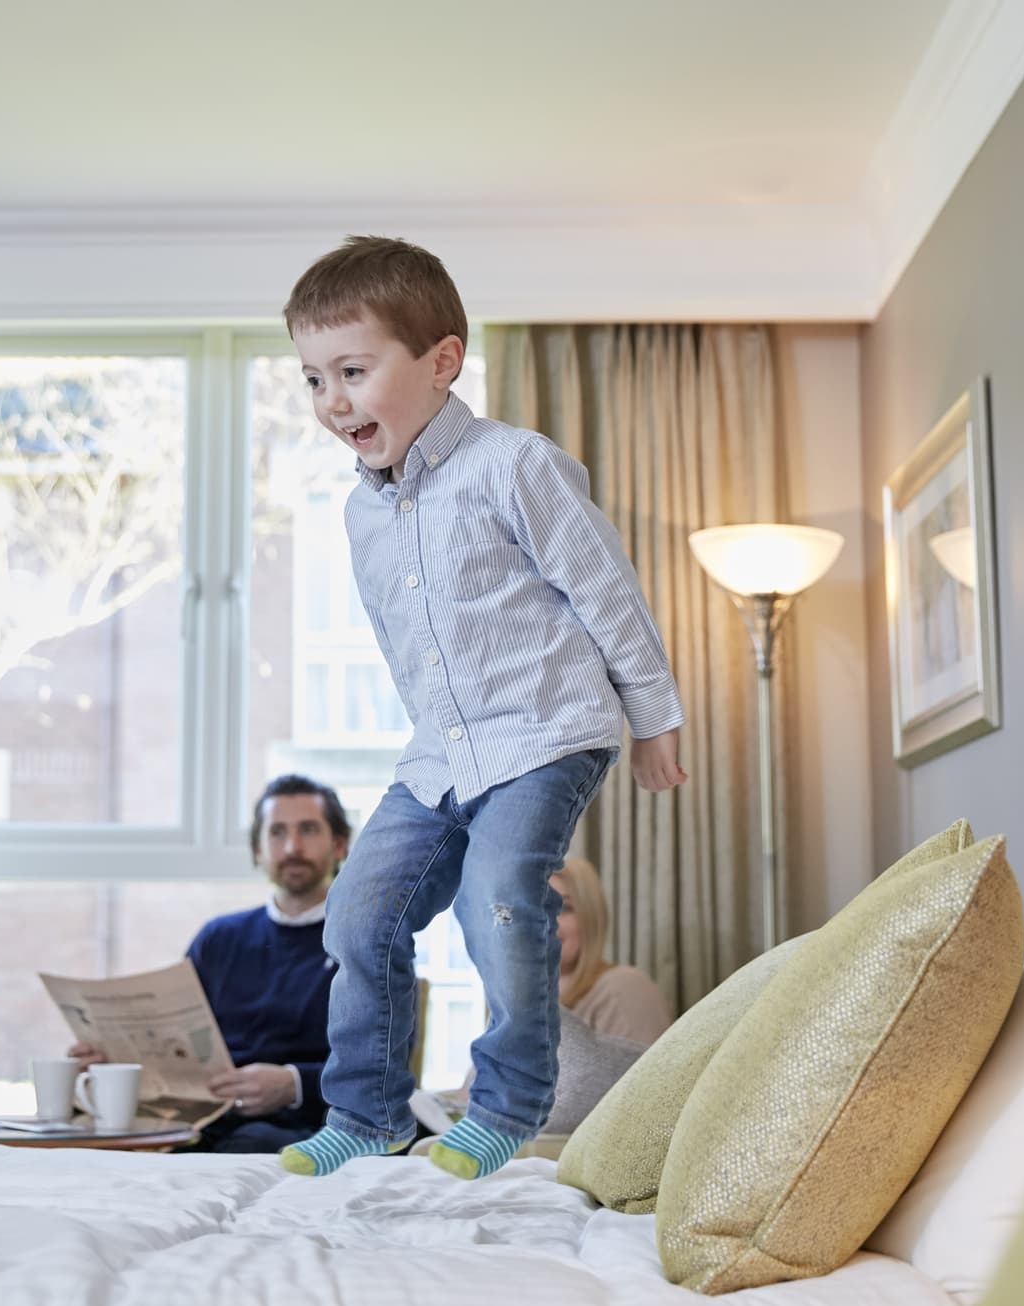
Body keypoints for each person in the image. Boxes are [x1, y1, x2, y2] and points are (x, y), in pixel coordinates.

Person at [278, 235, 688, 1181]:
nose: (332, 401)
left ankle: (508, 1104)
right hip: (440, 753)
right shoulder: (362, 511)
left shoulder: (517, 466)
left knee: (499, 900)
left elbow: (606, 593)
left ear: (442, 361)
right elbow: (399, 641)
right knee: (357, 917)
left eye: (352, 370)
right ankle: (371, 1113)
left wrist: (654, 720)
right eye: (311, 380)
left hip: (547, 731)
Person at [71, 773, 350, 1153]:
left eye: (308, 830)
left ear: (339, 845)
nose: (292, 847)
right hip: (204, 1118)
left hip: (301, 1127)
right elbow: (175, 1043)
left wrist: (293, 1084)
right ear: (257, 850)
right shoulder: (219, 938)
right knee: (88, 1132)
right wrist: (115, 1056)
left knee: (250, 1143)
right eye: (277, 832)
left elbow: (387, 1069)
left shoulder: (365, 944)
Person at [553, 856, 671, 1044]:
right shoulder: (519, 1004)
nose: (547, 922)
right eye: (536, 908)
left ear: (591, 917)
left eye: (565, 908)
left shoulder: (624, 989)